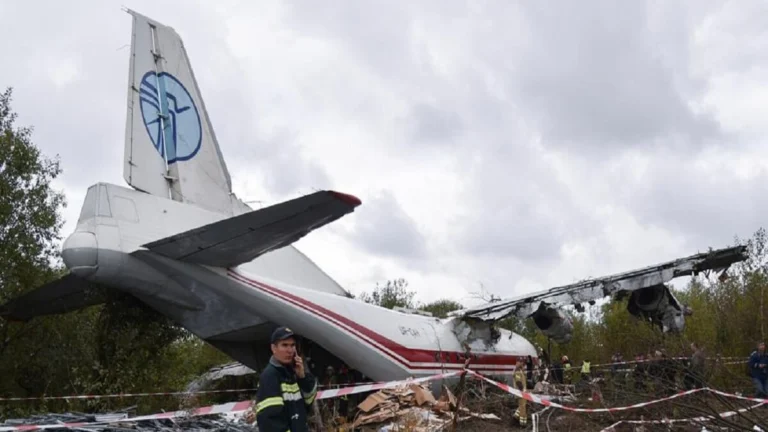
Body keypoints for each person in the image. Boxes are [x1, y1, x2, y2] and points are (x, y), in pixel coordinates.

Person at [247, 326, 318, 432]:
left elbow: (309, 400)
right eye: (284, 345)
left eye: (292, 345)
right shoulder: (270, 376)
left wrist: (302, 377)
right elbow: (271, 423)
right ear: (273, 348)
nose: (290, 350)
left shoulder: (292, 373)